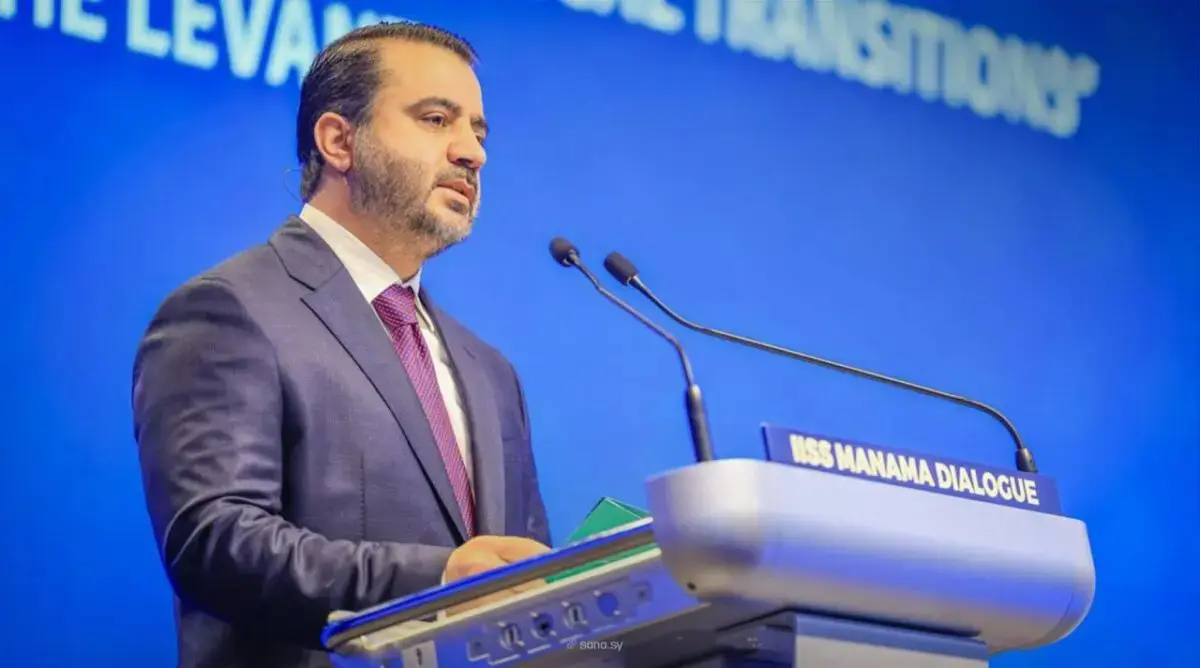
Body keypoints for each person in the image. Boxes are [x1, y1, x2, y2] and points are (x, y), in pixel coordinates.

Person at [131, 21, 552, 668]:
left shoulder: (491, 373)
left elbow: (528, 581)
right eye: (436, 119)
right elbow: (215, 544)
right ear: (338, 140)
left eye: (479, 131)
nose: (473, 153)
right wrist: (439, 580)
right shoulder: (230, 311)